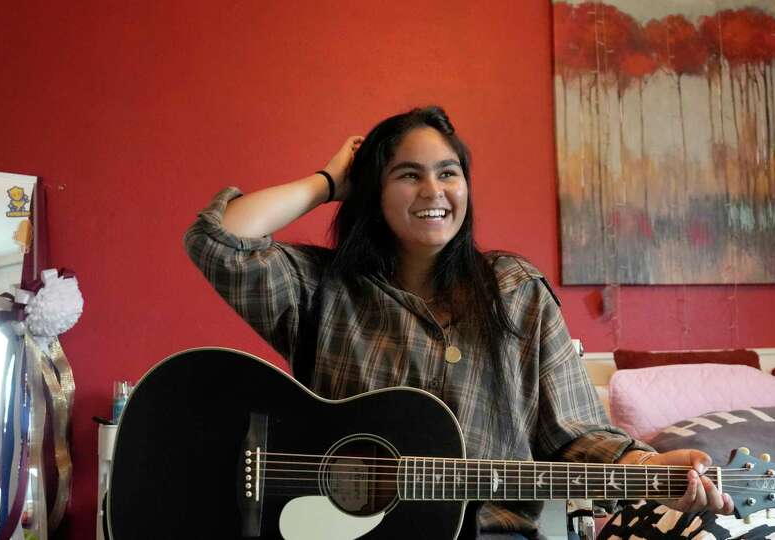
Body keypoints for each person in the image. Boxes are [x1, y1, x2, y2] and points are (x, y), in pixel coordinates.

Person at [184, 106, 734, 539]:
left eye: (449, 173)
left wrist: (649, 466)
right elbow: (217, 240)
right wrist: (329, 180)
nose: (433, 192)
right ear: (373, 192)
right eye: (407, 175)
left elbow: (576, 433)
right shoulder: (320, 288)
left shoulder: (514, 290)